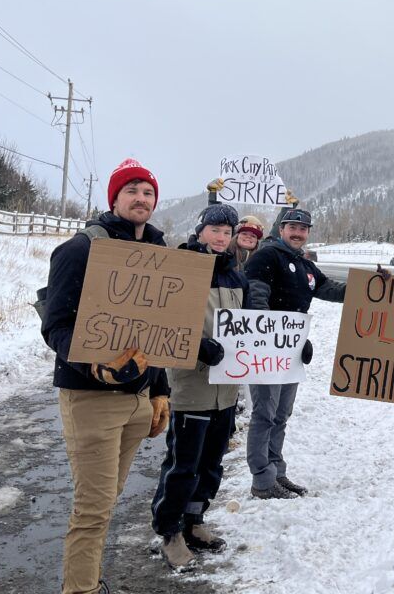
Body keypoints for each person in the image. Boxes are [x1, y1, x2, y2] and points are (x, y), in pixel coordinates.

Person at [41, 158, 171, 594]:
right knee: (93, 508)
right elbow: (55, 324)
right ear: (114, 198)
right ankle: (81, 589)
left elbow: (162, 333)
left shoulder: (159, 256)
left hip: (138, 399)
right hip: (91, 399)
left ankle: (90, 579)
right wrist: (92, 364)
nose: (141, 198)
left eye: (148, 191)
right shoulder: (79, 250)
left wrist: (159, 391)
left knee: (107, 501)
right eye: (131, 190)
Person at [243, 208, 388, 498]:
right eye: (292, 227)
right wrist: (281, 337)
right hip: (265, 351)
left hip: (291, 353)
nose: (298, 233)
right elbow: (256, 303)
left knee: (282, 414)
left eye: (303, 228)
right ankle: (262, 480)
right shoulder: (266, 257)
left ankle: (277, 472)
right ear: (281, 228)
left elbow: (331, 289)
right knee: (265, 414)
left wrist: (372, 284)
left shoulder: (305, 264)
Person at [151, 203, 248, 568]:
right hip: (192, 383)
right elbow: (168, 323)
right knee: (183, 464)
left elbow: (253, 329)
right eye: (215, 230)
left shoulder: (236, 275)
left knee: (211, 463)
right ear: (201, 230)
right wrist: (199, 348)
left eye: (227, 232)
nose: (222, 238)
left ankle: (194, 521)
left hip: (227, 387)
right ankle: (170, 531)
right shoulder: (184, 266)